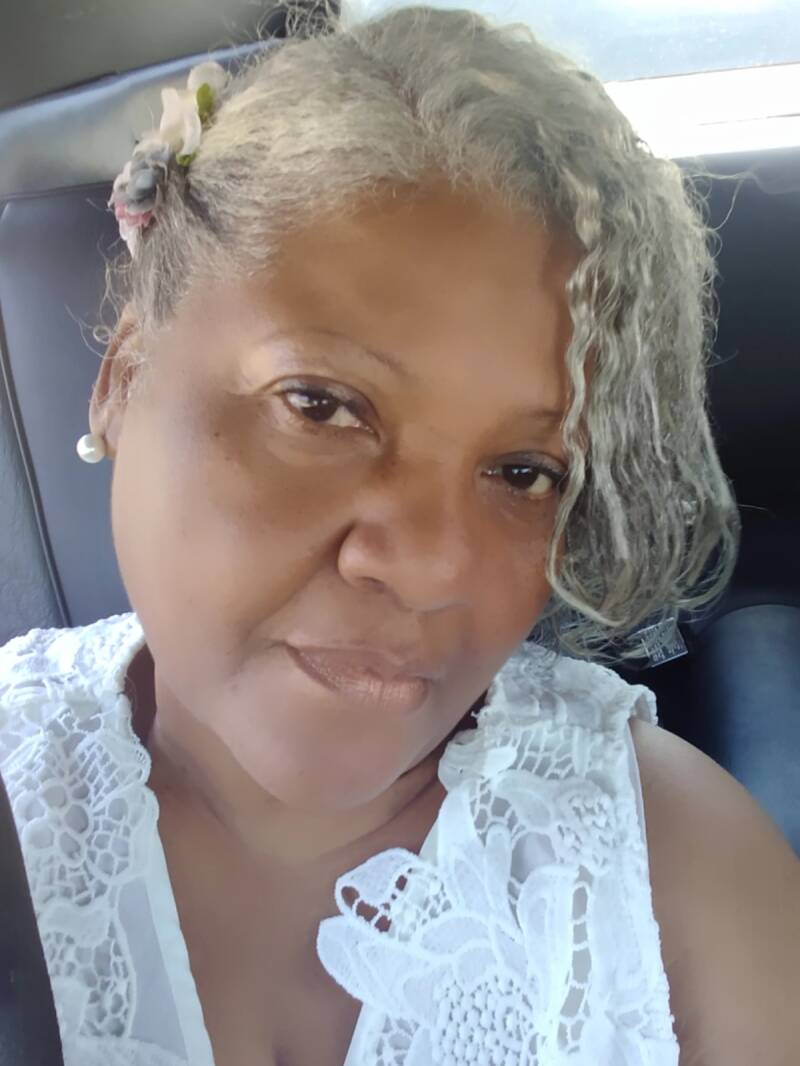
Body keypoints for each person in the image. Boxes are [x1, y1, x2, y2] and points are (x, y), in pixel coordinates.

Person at [2, 3, 798, 1065]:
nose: (432, 564)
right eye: (320, 405)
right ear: (123, 375)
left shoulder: (688, 893)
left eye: (523, 472)